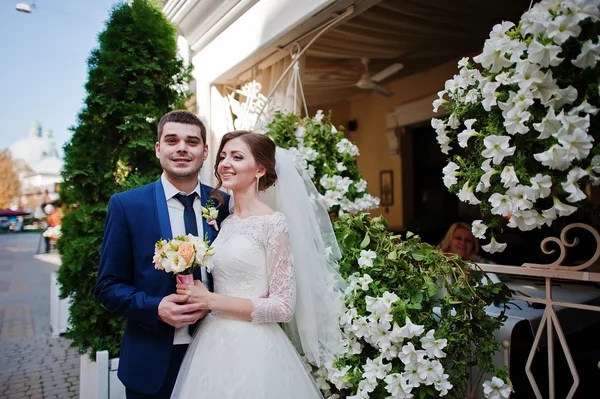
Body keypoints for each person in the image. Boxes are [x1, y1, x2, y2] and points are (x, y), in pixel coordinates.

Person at [171, 131, 346, 399]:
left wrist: (209, 300)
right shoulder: (226, 222)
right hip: (213, 344)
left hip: (254, 348)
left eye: (237, 157)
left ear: (260, 169)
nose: (225, 163)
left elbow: (283, 307)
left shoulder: (274, 223)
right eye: (223, 156)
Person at [95, 110, 230, 399]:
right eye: (172, 140)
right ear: (159, 149)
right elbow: (107, 286)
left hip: (220, 355)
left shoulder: (223, 203)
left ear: (205, 151)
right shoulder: (127, 206)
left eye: (192, 142)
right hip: (153, 361)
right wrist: (156, 308)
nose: (182, 148)